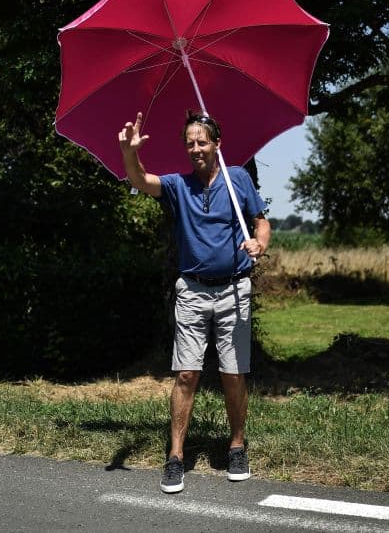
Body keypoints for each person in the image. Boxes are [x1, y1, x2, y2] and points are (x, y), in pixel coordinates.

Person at [119, 111, 271, 494]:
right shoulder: (178, 185)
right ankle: (175, 456)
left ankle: (236, 447)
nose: (196, 148)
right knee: (186, 374)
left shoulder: (238, 178)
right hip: (192, 290)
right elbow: (140, 180)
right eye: (190, 143)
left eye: (203, 141)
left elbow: (261, 221)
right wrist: (130, 153)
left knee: (233, 373)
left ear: (217, 143)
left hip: (234, 289)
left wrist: (259, 243)